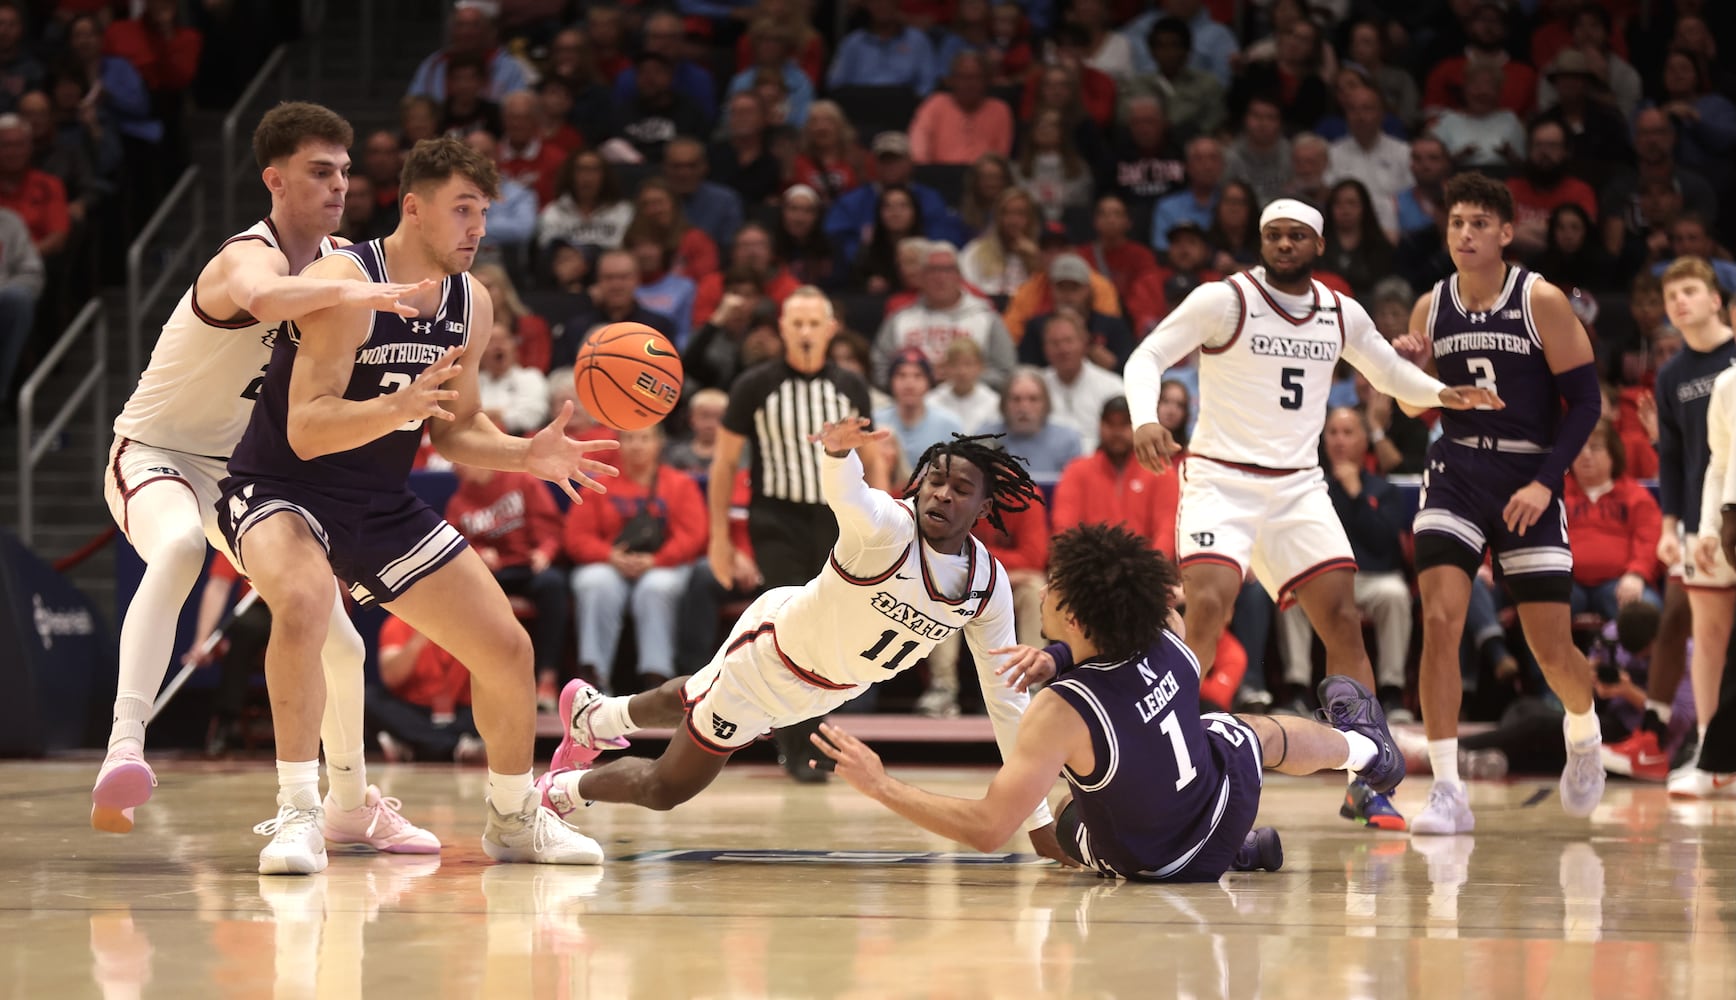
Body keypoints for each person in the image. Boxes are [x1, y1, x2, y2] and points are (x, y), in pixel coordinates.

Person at [216, 136, 620, 874]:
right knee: (305, 603)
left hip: (377, 501)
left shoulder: (472, 301)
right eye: (462, 209)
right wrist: (395, 405)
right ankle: (299, 814)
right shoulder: (347, 282)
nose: (477, 228)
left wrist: (527, 453)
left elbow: (458, 427)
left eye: (484, 213)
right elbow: (304, 429)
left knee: (507, 648)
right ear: (413, 208)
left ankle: (512, 817)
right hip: (282, 490)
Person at [94, 103, 438, 856]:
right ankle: (126, 744)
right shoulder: (243, 257)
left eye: (346, 171)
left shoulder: (345, 263)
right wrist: (356, 295)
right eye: (321, 171)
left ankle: (350, 807)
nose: (339, 185)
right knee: (182, 546)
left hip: (242, 471)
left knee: (338, 642)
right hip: (155, 451)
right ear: (274, 180)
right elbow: (267, 299)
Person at [1124, 198, 1498, 831]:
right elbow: (1146, 357)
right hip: (1220, 478)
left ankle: (1365, 781)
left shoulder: (1339, 313)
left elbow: (1389, 374)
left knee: (1345, 622)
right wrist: (1144, 416)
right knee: (1208, 606)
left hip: (1298, 488)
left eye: (1298, 236)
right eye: (1274, 235)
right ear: (1261, 241)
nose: (1285, 245)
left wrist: (1441, 394)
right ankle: (1165, 766)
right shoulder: (1225, 300)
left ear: (1319, 245)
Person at [538, 425, 1067, 859]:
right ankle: (558, 792)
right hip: (770, 657)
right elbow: (849, 495)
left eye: (961, 488)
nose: (942, 494)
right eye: (935, 480)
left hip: (824, 690)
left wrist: (1036, 817)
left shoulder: (987, 585)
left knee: (697, 694)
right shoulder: (885, 529)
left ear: (984, 505)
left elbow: (1006, 701)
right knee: (665, 789)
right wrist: (839, 454)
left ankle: (596, 718)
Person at [810, 522, 1407, 881]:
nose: (1042, 590)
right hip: (1225, 809)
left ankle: (1240, 855)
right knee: (1244, 731)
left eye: (1053, 586)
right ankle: (1365, 749)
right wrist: (1062, 654)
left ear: (1070, 615)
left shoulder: (1061, 711)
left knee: (1065, 819)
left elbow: (991, 829)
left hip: (1153, 867)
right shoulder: (1168, 637)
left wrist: (881, 784)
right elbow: (1135, 624)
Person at [1396, 172, 1608, 835]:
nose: (1465, 232)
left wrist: (1546, 481)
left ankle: (1583, 730)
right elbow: (1412, 406)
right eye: (1456, 222)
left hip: (1528, 477)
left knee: (1552, 652)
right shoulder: (1429, 307)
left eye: (1479, 223)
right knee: (1440, 620)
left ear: (1506, 233)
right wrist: (1409, 369)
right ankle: (1448, 791)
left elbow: (1589, 403)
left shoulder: (1540, 298)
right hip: (1455, 470)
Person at [706, 288, 886, 780]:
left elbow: (873, 460)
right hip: (776, 519)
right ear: (782, 328)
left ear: (831, 329)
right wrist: (718, 537)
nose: (805, 331)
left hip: (836, 522)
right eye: (796, 323)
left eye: (814, 323)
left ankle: (801, 737)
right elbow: (723, 465)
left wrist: (884, 528)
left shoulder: (851, 385)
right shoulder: (753, 385)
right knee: (792, 625)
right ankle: (799, 745)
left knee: (829, 631)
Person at [1606, 257, 1734, 782]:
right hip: (1706, 518)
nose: (1678, 301)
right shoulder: (1673, 375)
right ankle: (1709, 753)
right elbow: (1681, 461)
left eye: (1689, 290)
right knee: (1704, 635)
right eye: (1670, 294)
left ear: (1716, 299)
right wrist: (1670, 528)